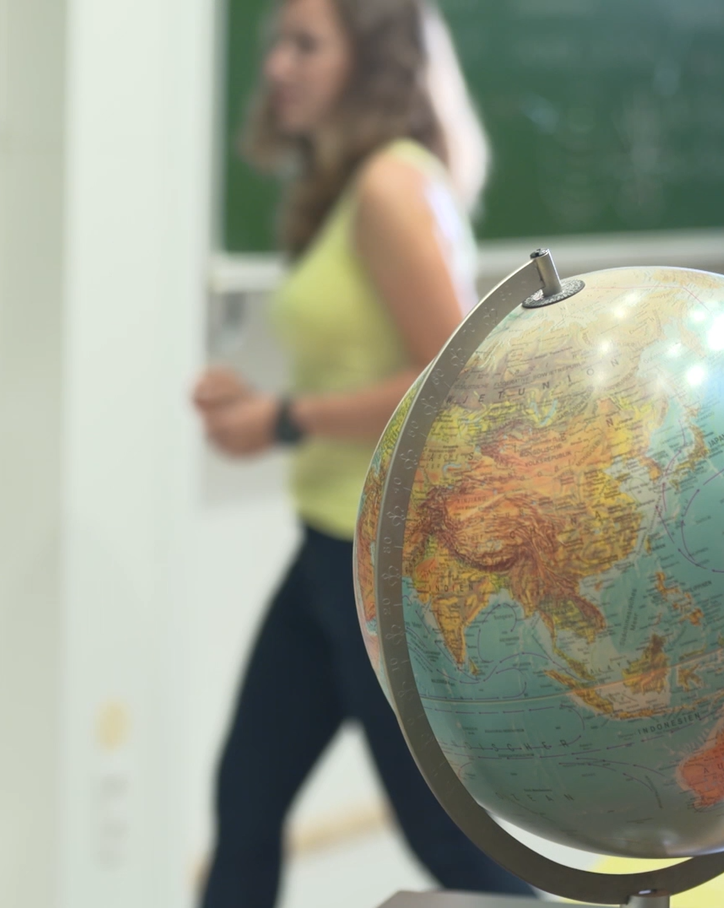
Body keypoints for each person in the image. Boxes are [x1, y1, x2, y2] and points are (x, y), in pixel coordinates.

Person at [193, 0, 536, 905]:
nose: (277, 65)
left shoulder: (391, 184)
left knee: (454, 855)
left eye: (307, 44)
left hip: (379, 566)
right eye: (279, 42)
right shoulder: (354, 184)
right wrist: (263, 406)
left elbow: (451, 375)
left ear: (370, 59)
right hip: (325, 552)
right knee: (246, 798)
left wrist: (286, 419)